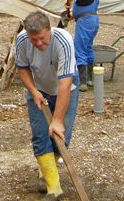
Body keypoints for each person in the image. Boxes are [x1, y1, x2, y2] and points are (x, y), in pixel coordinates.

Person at [15, 11, 78, 200]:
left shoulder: (63, 40)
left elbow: (65, 84)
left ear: (49, 30)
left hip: (65, 88)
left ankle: (47, 168)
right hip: (39, 89)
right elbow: (22, 67)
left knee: (61, 137)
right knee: (40, 135)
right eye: (34, 40)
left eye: (42, 39)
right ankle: (54, 188)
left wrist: (57, 120)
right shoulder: (22, 40)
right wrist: (34, 91)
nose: (39, 44)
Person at [65, 0, 100, 92]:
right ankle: (90, 79)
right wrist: (73, 14)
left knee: (79, 48)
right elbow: (87, 5)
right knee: (88, 48)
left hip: (85, 21)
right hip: (93, 19)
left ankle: (82, 82)